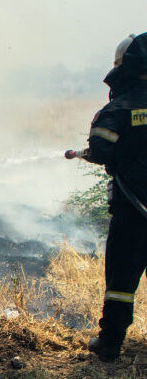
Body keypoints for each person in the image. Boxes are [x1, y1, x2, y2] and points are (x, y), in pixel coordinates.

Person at [68, 32, 147, 361]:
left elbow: (100, 149)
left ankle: (110, 343)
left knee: (121, 281)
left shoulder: (120, 108)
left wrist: (86, 153)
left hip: (133, 212)